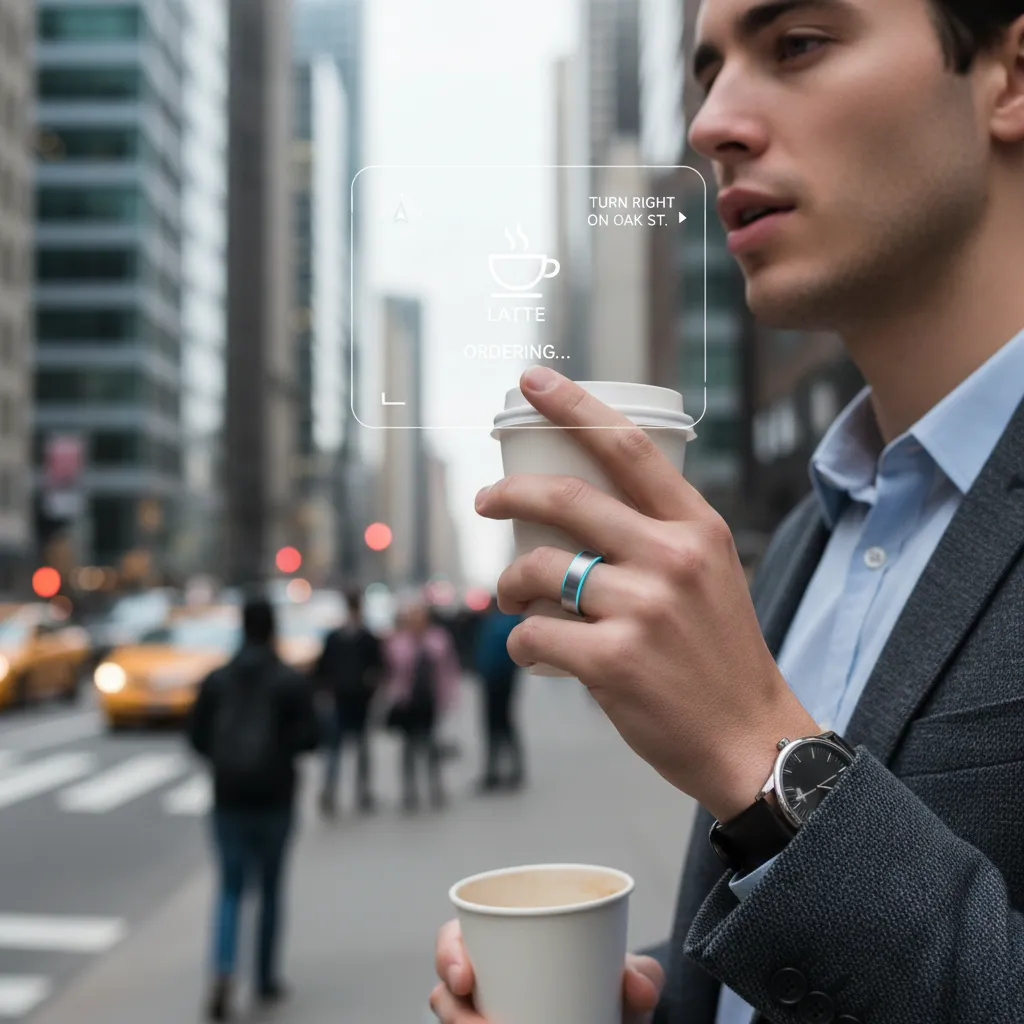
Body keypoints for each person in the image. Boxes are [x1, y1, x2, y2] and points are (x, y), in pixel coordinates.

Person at [429, 1, 1024, 1022]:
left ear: (1006, 79)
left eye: (796, 44)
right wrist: (650, 1001)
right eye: (707, 72)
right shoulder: (804, 538)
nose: (712, 122)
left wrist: (766, 761)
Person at [186, 598, 319, 1021]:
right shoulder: (289, 680)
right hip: (276, 796)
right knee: (271, 889)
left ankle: (224, 970)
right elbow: (313, 735)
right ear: (272, 628)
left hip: (229, 797)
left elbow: (196, 736)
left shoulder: (218, 679)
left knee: (229, 888)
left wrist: (223, 760)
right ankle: (264, 977)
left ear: (241, 628)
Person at [383, 597, 461, 811]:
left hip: (430, 701)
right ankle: (410, 792)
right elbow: (393, 672)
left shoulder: (438, 640)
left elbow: (449, 669)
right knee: (408, 748)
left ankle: (435, 788)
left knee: (431, 745)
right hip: (406, 703)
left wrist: (450, 698)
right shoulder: (398, 643)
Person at [314, 587, 384, 816]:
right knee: (339, 751)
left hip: (357, 701)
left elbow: (378, 669)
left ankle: (356, 792)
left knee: (355, 750)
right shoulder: (340, 638)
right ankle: (335, 792)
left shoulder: (363, 638)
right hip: (341, 700)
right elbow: (322, 669)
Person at [473, 597, 524, 792]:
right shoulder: (501, 622)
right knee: (500, 726)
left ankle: (504, 771)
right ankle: (501, 771)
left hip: (498, 680)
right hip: (496, 679)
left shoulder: (498, 623)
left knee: (499, 726)